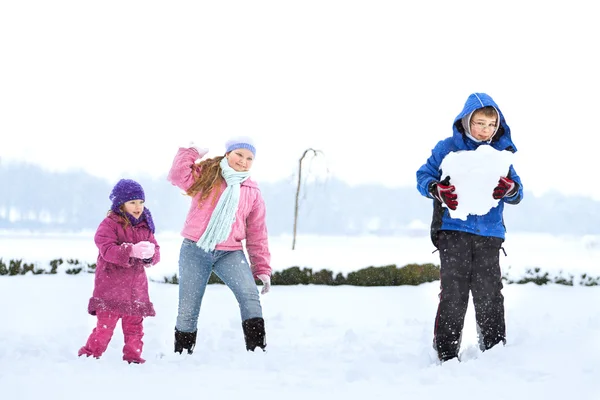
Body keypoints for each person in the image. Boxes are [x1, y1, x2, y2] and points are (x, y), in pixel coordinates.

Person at [416, 92, 524, 363]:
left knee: (489, 292)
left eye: (491, 125)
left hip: (489, 233)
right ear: (466, 121)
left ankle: (494, 350)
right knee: (454, 292)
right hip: (453, 230)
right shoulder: (447, 148)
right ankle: (447, 353)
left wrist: (509, 189)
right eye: (479, 123)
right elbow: (423, 176)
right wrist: (437, 190)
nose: (485, 130)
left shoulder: (501, 153)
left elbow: (518, 191)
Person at [167, 136, 271, 355]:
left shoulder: (252, 191)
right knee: (188, 308)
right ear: (228, 154)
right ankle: (182, 355)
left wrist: (261, 268)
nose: (243, 161)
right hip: (195, 249)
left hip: (230, 253)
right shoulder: (208, 176)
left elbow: (257, 233)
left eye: (249, 158)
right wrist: (192, 151)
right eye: (239, 155)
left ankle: (257, 352)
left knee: (250, 295)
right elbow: (177, 175)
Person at [78, 179, 160, 364]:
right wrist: (130, 250)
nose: (138, 206)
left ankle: (133, 358)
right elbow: (107, 250)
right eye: (132, 202)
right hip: (110, 288)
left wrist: (150, 255)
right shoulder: (109, 224)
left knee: (135, 328)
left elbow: (156, 249)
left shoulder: (145, 226)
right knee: (104, 328)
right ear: (120, 204)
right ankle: (89, 355)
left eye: (141, 202)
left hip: (135, 290)